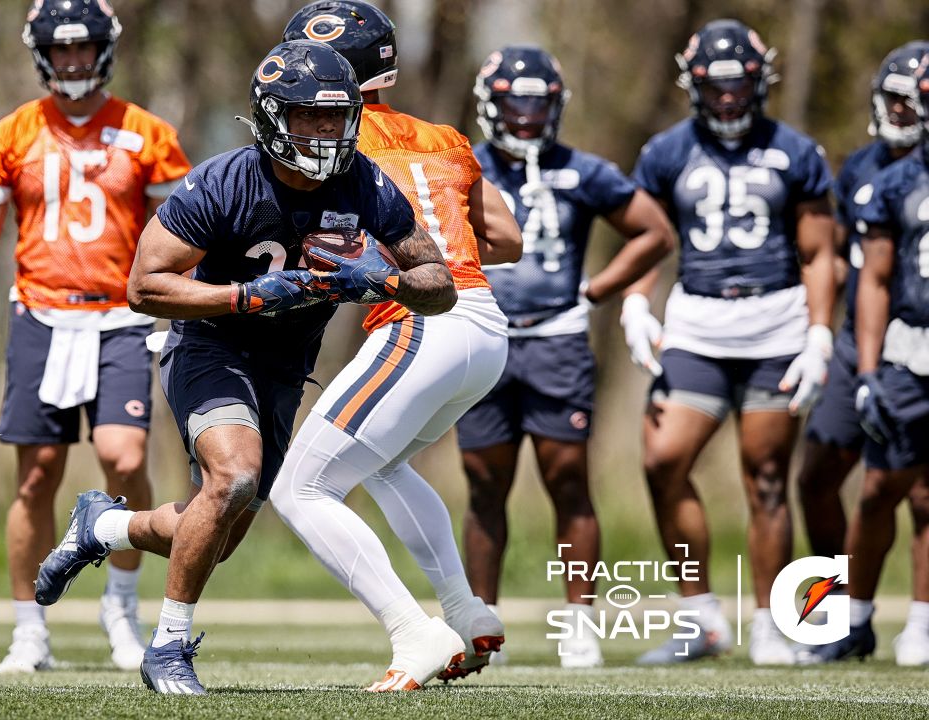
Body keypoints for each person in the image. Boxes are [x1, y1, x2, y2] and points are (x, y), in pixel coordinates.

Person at [33, 40, 448, 695]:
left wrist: (388, 285)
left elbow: (440, 283)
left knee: (217, 531)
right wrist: (242, 297)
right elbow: (144, 286)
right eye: (310, 116)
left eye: (337, 116)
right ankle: (167, 648)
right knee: (234, 478)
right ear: (274, 116)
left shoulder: (365, 182)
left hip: (286, 368)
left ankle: (102, 526)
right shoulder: (225, 182)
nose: (327, 131)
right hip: (213, 347)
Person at [274, 2, 521, 690]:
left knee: (299, 487)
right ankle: (465, 611)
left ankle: (415, 634)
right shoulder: (443, 136)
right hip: (482, 326)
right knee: (381, 467)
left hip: (422, 324)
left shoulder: (336, 141)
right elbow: (506, 237)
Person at [0, 0, 190, 674]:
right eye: (61, 50)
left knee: (125, 455)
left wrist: (186, 311)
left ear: (105, 50)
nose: (73, 61)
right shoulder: (11, 134)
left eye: (83, 49)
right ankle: (30, 629)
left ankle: (121, 604)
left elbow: (182, 240)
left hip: (121, 317)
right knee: (38, 476)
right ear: (42, 53)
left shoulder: (148, 133)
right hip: (40, 315)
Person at [619, 19, 836, 665]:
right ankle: (702, 618)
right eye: (716, 87)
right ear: (694, 86)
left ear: (759, 83)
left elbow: (821, 251)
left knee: (767, 478)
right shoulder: (665, 151)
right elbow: (645, 235)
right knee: (663, 460)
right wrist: (635, 302)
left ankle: (772, 622)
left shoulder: (796, 150)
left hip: (776, 323)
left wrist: (822, 334)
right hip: (698, 324)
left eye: (739, 86)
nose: (729, 99)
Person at [456, 45, 672, 669]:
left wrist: (598, 290)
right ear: (489, 105)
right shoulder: (461, 166)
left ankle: (579, 622)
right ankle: (481, 625)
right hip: (486, 337)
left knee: (569, 483)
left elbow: (655, 232)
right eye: (513, 103)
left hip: (557, 339)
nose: (525, 116)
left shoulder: (583, 170)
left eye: (538, 103)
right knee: (484, 487)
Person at [795, 41, 929, 668]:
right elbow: (850, 262)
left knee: (914, 490)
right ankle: (840, 608)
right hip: (868, 339)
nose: (899, 110)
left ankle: (898, 618)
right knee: (820, 478)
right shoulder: (866, 168)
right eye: (894, 97)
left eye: (912, 99)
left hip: (903, 337)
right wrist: (823, 336)